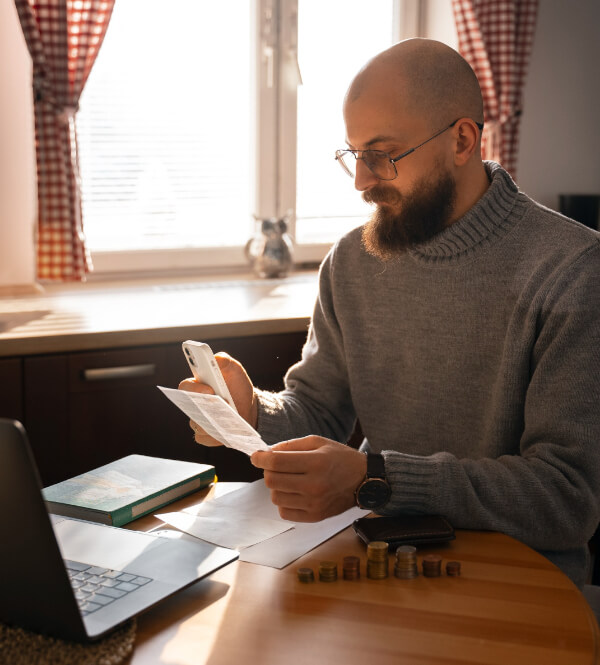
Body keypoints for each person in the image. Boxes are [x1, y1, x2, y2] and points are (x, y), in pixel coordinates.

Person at [179, 38, 600, 588]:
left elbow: (566, 498)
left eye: (382, 155)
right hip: (375, 565)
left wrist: (375, 478)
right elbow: (317, 411)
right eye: (353, 155)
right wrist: (251, 411)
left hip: (523, 585)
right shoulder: (352, 260)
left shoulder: (574, 270)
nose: (361, 181)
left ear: (463, 140)